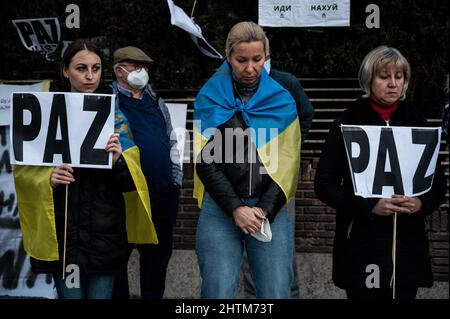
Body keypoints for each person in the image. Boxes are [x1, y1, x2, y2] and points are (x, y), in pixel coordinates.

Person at [314, 46, 446, 300]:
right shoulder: (346, 122)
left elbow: (438, 183)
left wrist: (421, 204)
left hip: (408, 246)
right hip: (361, 244)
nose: (393, 84)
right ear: (369, 79)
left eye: (399, 77)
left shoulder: (417, 121)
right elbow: (324, 184)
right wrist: (369, 206)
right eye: (384, 76)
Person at [14, 40, 137, 299]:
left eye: (96, 68)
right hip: (63, 236)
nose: (90, 76)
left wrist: (118, 162)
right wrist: (47, 177)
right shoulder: (43, 112)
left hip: (104, 235)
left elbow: (133, 181)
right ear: (65, 71)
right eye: (81, 68)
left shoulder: (116, 116)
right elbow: (23, 173)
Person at [194, 21, 301, 299]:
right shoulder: (209, 96)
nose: (250, 68)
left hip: (269, 209)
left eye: (257, 59)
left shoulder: (282, 99)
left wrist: (263, 210)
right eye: (241, 60)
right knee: (216, 292)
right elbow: (205, 161)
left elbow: (289, 165)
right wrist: (236, 208)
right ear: (228, 56)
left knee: (276, 292)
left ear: (266, 55)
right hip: (220, 207)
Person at [241, 35, 315, 299]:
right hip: (243, 178)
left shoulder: (286, 82)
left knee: (280, 246)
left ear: (267, 54)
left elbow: (306, 114)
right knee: (250, 245)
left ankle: (288, 294)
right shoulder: (231, 85)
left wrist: (290, 146)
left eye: (257, 56)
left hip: (279, 179)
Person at [111, 46, 183, 299]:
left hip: (162, 194)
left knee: (157, 261)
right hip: (127, 196)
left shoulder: (155, 100)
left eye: (145, 67)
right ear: (119, 70)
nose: (142, 72)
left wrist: (175, 180)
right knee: (117, 259)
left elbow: (172, 140)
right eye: (136, 66)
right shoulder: (107, 101)